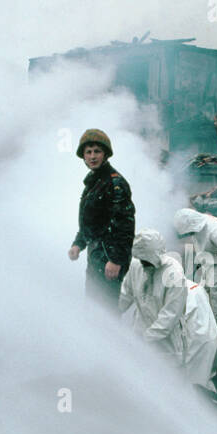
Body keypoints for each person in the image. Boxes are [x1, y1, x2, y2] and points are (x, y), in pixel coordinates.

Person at [119, 229, 217, 391]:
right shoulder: (135, 266)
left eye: (147, 261)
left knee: (166, 380)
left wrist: (144, 340)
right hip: (142, 329)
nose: (144, 265)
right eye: (141, 260)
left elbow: (169, 317)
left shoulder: (173, 275)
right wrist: (112, 310)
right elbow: (126, 293)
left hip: (167, 343)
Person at [68, 129, 134, 309]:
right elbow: (91, 222)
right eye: (88, 152)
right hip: (96, 256)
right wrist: (78, 244)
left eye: (97, 151)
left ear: (105, 154)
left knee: (107, 309)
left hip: (109, 259)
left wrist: (116, 260)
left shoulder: (115, 183)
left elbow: (125, 226)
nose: (92, 156)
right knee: (93, 306)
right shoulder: (93, 182)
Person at [173, 207, 217, 320]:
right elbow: (202, 243)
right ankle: (208, 314)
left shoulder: (216, 231)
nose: (188, 234)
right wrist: (201, 261)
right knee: (203, 287)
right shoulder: (197, 226)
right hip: (212, 255)